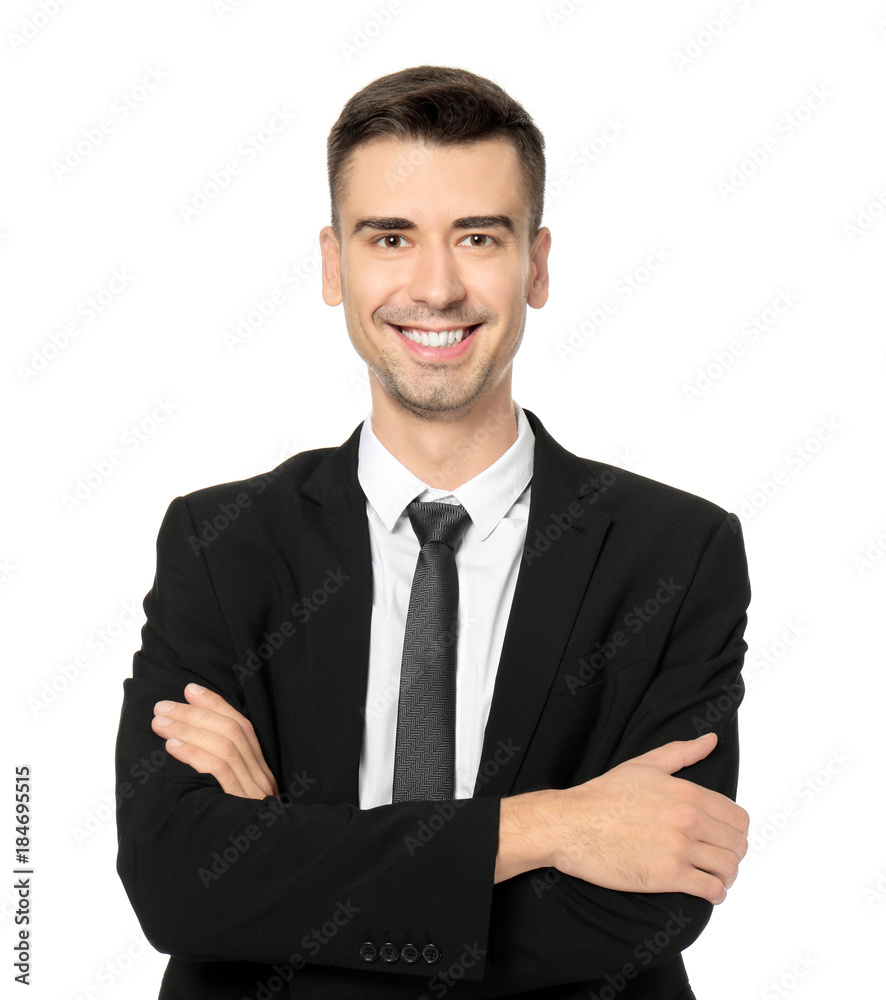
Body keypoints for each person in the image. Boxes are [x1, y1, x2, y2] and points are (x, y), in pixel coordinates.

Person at [115, 65, 750, 1000]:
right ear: (335, 265)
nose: (436, 286)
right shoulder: (221, 543)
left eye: (479, 237)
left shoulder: (676, 551)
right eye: (391, 237)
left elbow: (642, 910)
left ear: (535, 265)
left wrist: (290, 867)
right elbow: (178, 884)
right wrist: (550, 828)